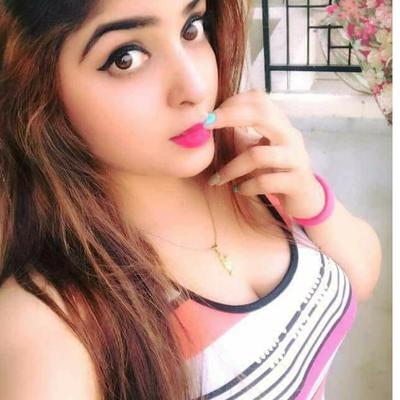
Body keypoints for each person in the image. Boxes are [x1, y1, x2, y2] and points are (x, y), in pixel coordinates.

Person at [0, 0, 382, 399]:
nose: (196, 88)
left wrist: (310, 197)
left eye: (191, 28)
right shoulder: (48, 326)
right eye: (126, 58)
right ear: (35, 88)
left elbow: (361, 277)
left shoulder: (248, 163)